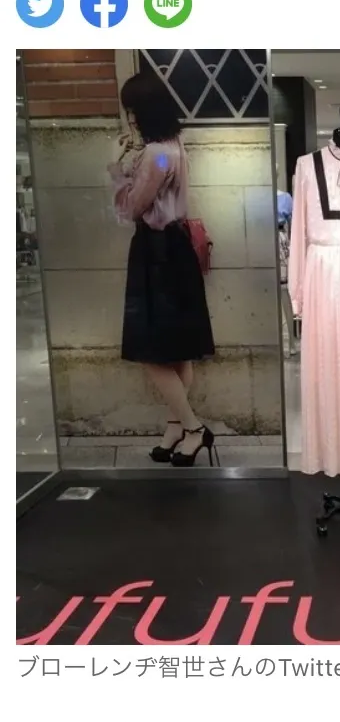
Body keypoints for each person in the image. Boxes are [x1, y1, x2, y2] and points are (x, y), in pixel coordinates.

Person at [109, 72, 217, 466]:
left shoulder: (157, 154)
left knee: (151, 351)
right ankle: (176, 428)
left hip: (156, 252)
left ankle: (193, 428)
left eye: (132, 110)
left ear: (144, 111)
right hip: (175, 250)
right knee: (177, 351)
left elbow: (130, 209)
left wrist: (117, 166)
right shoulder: (175, 145)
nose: (130, 118)